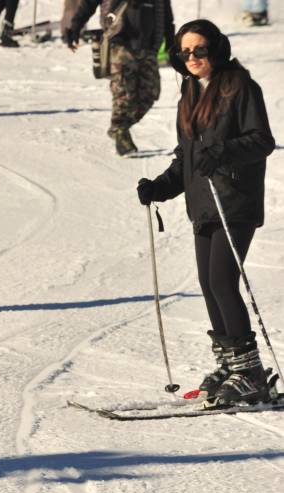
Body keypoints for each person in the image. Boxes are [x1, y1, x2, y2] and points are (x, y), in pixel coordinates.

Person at [136, 20, 275, 406]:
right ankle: (232, 366)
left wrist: (225, 152)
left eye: (199, 49)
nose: (193, 58)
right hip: (203, 202)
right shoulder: (190, 92)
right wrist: (161, 186)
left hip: (235, 199)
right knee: (208, 284)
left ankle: (249, 373)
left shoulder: (239, 86)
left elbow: (262, 140)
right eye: (185, 52)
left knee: (222, 281)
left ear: (216, 47)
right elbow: (189, 157)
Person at [64, 0, 174, 156]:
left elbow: (166, 15)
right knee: (123, 92)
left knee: (150, 94)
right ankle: (120, 133)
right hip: (119, 42)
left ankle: (119, 128)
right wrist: (75, 27)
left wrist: (170, 41)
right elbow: (88, 3)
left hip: (148, 46)